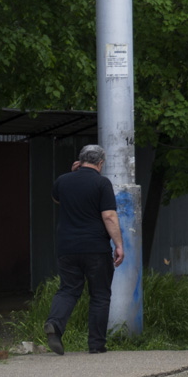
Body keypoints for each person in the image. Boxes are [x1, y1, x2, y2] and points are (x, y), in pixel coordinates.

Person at [44, 144, 124, 355]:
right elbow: (109, 216)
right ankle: (96, 345)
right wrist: (118, 245)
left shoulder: (62, 180)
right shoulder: (102, 183)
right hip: (95, 248)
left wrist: (72, 174)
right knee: (99, 294)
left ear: (79, 161)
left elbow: (56, 198)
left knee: (68, 289)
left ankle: (54, 324)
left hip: (67, 247)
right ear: (100, 163)